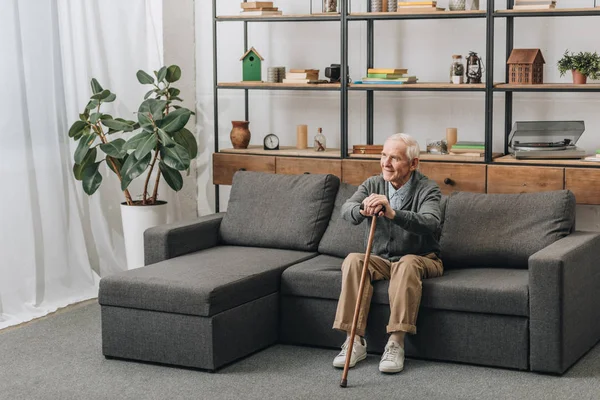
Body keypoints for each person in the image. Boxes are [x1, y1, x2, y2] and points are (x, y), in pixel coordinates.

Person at [332, 133, 443, 374]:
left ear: (413, 164)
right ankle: (354, 341)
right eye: (383, 156)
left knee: (406, 263)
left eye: (394, 158)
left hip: (423, 259)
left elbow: (431, 222)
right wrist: (362, 209)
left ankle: (395, 343)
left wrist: (394, 214)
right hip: (381, 260)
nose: (386, 163)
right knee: (353, 260)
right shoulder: (373, 184)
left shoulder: (427, 188)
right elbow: (346, 210)